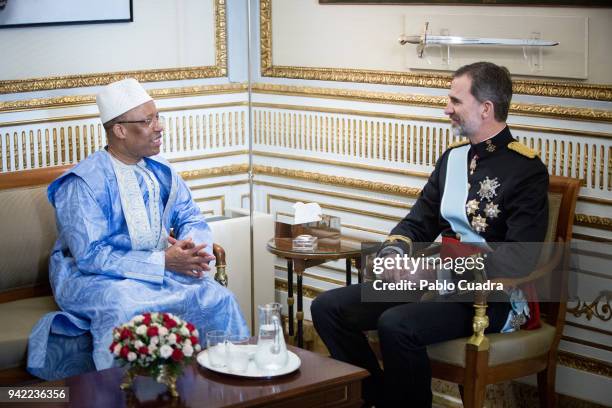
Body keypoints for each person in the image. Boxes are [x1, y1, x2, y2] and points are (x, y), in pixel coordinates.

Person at [311, 62, 549, 407]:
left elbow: (519, 258)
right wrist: (393, 256)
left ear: (486, 109)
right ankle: (377, 399)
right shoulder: (452, 159)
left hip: (492, 296)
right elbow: (418, 221)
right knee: (328, 308)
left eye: (455, 101)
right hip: (439, 283)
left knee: (396, 324)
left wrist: (431, 272)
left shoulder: (525, 170)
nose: (446, 108)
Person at [27, 78, 248, 380]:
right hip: (92, 276)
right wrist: (164, 261)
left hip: (161, 265)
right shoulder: (82, 183)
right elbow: (90, 256)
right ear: (119, 130)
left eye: (157, 117)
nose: (160, 127)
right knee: (125, 306)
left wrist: (193, 252)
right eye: (147, 121)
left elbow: (191, 217)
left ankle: (220, 389)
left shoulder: (162, 171)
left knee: (219, 298)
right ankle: (128, 396)